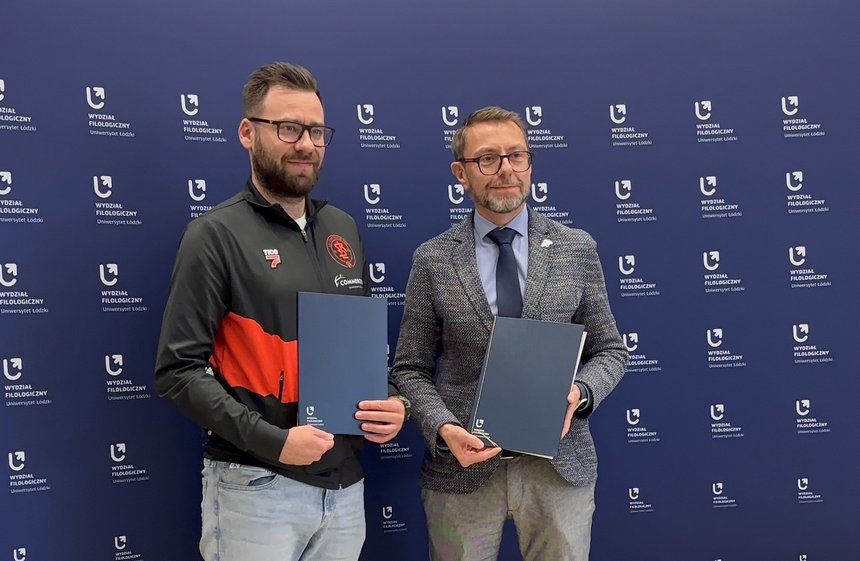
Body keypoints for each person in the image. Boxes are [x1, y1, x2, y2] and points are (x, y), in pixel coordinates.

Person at [154, 62, 407, 561]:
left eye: (316, 131)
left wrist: (392, 401)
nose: (306, 144)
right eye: (288, 128)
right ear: (247, 133)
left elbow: (356, 350)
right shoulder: (214, 235)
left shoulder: (342, 228)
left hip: (345, 488)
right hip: (257, 485)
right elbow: (177, 372)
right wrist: (273, 442)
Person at [390, 106, 628, 561]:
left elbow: (611, 351)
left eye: (516, 156)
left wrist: (579, 392)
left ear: (529, 164)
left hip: (559, 468)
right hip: (461, 470)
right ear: (460, 173)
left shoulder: (576, 248)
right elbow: (409, 369)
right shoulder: (433, 259)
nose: (505, 170)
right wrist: (443, 428)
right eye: (488, 158)